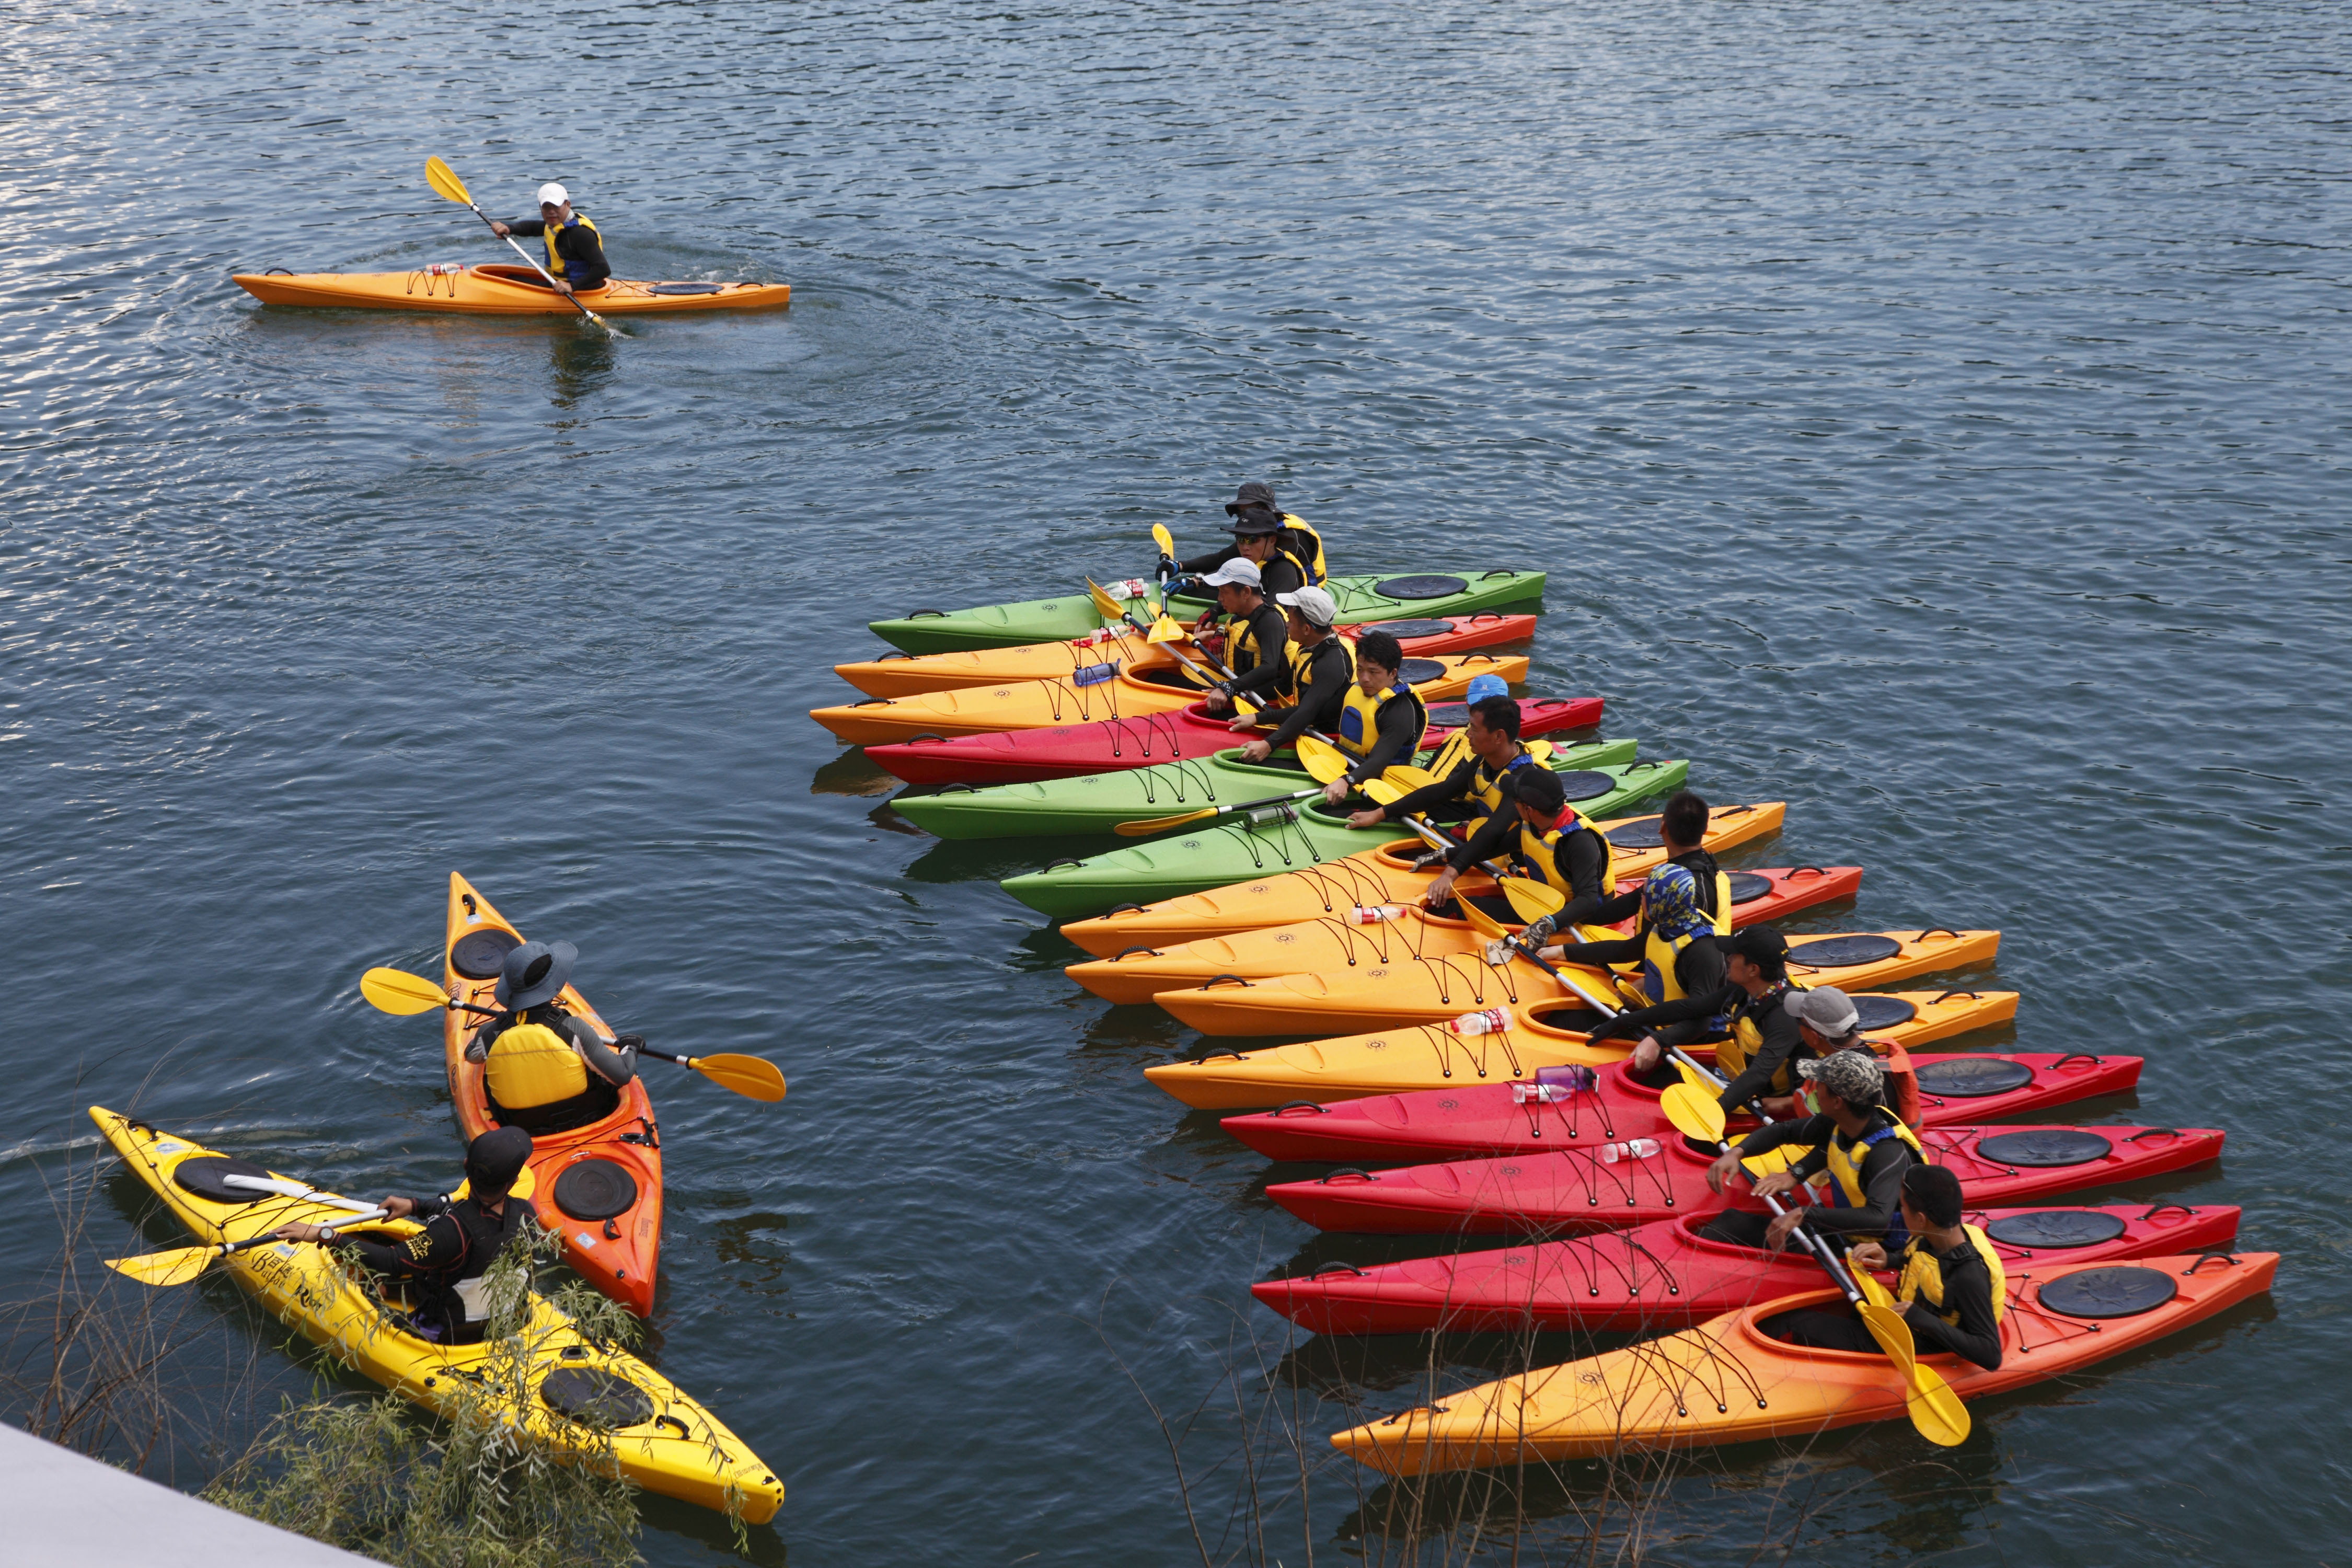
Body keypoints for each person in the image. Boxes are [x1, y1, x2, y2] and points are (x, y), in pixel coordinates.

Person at [272, 1126, 533, 1345]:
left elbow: (392, 1261)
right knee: (451, 1269)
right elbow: (472, 1218)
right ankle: (388, 1289)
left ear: (466, 1165)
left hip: (448, 1335)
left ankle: (381, 1291)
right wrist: (415, 1206)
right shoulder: (526, 1214)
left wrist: (324, 1234)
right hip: (504, 1322)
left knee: (370, 1284)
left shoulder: (451, 1232)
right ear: (514, 1181)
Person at [1762, 1163, 2006, 1371]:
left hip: (1921, 1344)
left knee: (1795, 1325)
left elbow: (1991, 1355)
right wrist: (1890, 1259)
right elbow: (1924, 1261)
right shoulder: (1937, 1233)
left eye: (1902, 1207)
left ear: (1921, 1218)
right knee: (1845, 1312)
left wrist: (1920, 1319)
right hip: (1906, 1320)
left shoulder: (1968, 1275)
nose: (1900, 1211)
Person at [1696, 1049, 1927, 1255]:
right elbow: (1783, 1132)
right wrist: (1737, 1152)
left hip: (1877, 1251)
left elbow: (1878, 1219)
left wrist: (1804, 1214)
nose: (1814, 1090)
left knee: (1732, 1226)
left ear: (1837, 1101)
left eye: (1820, 1085)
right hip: (1846, 1231)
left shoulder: (1888, 1152)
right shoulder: (1844, 1120)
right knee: (1731, 1220)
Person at [1588, 929, 1840, 1112]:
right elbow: (1689, 1008)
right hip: (1749, 1082)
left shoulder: (1784, 1016)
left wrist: (1713, 1112)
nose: (1727, 958)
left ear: (1753, 969)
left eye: (1734, 954)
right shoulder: (1746, 989)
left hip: (1786, 1102)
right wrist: (1621, 1023)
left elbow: (1759, 1074)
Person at [1537, 790, 1729, 1014]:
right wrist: (1563, 917)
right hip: (1656, 960)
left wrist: (1565, 951)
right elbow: (1625, 906)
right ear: (1705, 831)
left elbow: (1635, 950)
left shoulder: (1684, 893)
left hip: (1676, 983)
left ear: (1662, 827)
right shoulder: (1678, 876)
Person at [463, 939, 636, 1134]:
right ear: (553, 985)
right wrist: (631, 1047)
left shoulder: (490, 1034)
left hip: (523, 1131)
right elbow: (622, 1075)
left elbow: (470, 1056)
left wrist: (499, 1023)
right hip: (587, 1119)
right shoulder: (573, 1028)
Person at [1230, 586, 1356, 763]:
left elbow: (1307, 713)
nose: (1287, 624)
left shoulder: (1330, 663)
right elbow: (1284, 686)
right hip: (1305, 723)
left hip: (1327, 741)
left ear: (1306, 629)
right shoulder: (1311, 648)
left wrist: (1268, 744)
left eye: (1290, 620)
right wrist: (1238, 693)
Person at [1316, 630, 1428, 803]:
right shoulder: (1355, 689)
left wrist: (1346, 781)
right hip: (1346, 767)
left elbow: (1378, 763)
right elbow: (1316, 713)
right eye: (1360, 670)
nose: (1364, 679)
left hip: (1381, 787)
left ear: (1393, 673)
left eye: (1374, 672)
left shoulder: (1399, 710)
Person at [1169, 482, 1328, 596]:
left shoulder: (1290, 538)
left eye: (1250, 511)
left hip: (1305, 596)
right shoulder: (1258, 536)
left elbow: (1243, 575)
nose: (1245, 519)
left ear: (1267, 509)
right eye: (1241, 515)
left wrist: (1197, 582)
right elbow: (1222, 559)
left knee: (1198, 590)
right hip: (1266, 583)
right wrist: (1181, 566)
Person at [1194, 557, 1290, 717]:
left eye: (1224, 592)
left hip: (1263, 697)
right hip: (1239, 683)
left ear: (1246, 592)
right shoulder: (1241, 615)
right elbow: (1246, 636)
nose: (1219, 599)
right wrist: (1212, 634)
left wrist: (1229, 688)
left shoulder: (1269, 621)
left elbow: (1270, 667)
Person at [488, 182, 609, 295]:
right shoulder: (555, 226)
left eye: (556, 207)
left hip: (581, 290)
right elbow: (532, 228)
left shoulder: (581, 234)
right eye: (546, 207)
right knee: (510, 278)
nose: (551, 212)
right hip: (558, 284)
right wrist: (509, 228)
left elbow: (603, 269)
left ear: (568, 205)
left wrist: (572, 286)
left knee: (510, 283)